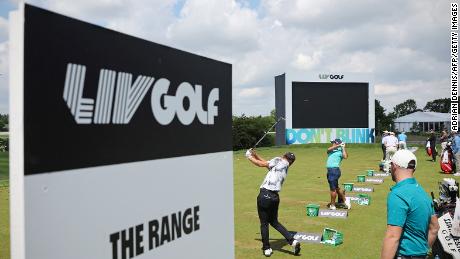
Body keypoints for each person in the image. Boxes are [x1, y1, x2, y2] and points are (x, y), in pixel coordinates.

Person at [381, 150, 439, 259]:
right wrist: (422, 251)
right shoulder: (422, 192)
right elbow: (434, 228)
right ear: (414, 169)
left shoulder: (398, 194)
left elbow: (393, 236)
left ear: (394, 166)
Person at [246, 149, 301, 257]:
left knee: (264, 223)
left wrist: (249, 156)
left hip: (265, 195)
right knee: (274, 222)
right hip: (275, 197)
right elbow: (267, 164)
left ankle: (266, 248)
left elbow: (261, 164)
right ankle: (293, 241)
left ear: (283, 156)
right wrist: (256, 154)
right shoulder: (284, 166)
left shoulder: (278, 159)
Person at [326, 138, 349, 210]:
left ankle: (333, 205)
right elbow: (328, 149)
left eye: (333, 142)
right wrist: (339, 145)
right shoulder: (331, 150)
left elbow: (345, 156)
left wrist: (343, 147)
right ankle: (345, 200)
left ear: (336, 143)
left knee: (333, 189)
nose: (332, 143)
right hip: (330, 171)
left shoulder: (340, 151)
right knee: (336, 188)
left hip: (334, 171)